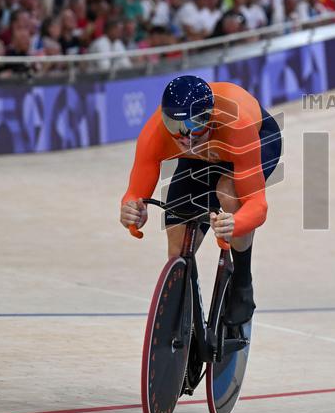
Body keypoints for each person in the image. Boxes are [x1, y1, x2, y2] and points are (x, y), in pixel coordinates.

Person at [119, 76, 282, 326]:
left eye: (195, 124)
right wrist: (132, 211)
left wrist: (234, 224)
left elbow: (257, 205)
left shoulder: (237, 125)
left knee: (228, 193)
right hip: (202, 157)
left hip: (253, 139)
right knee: (177, 249)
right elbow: (134, 195)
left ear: (211, 116)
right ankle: (188, 322)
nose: (186, 137)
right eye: (175, 125)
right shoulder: (156, 133)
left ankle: (242, 283)